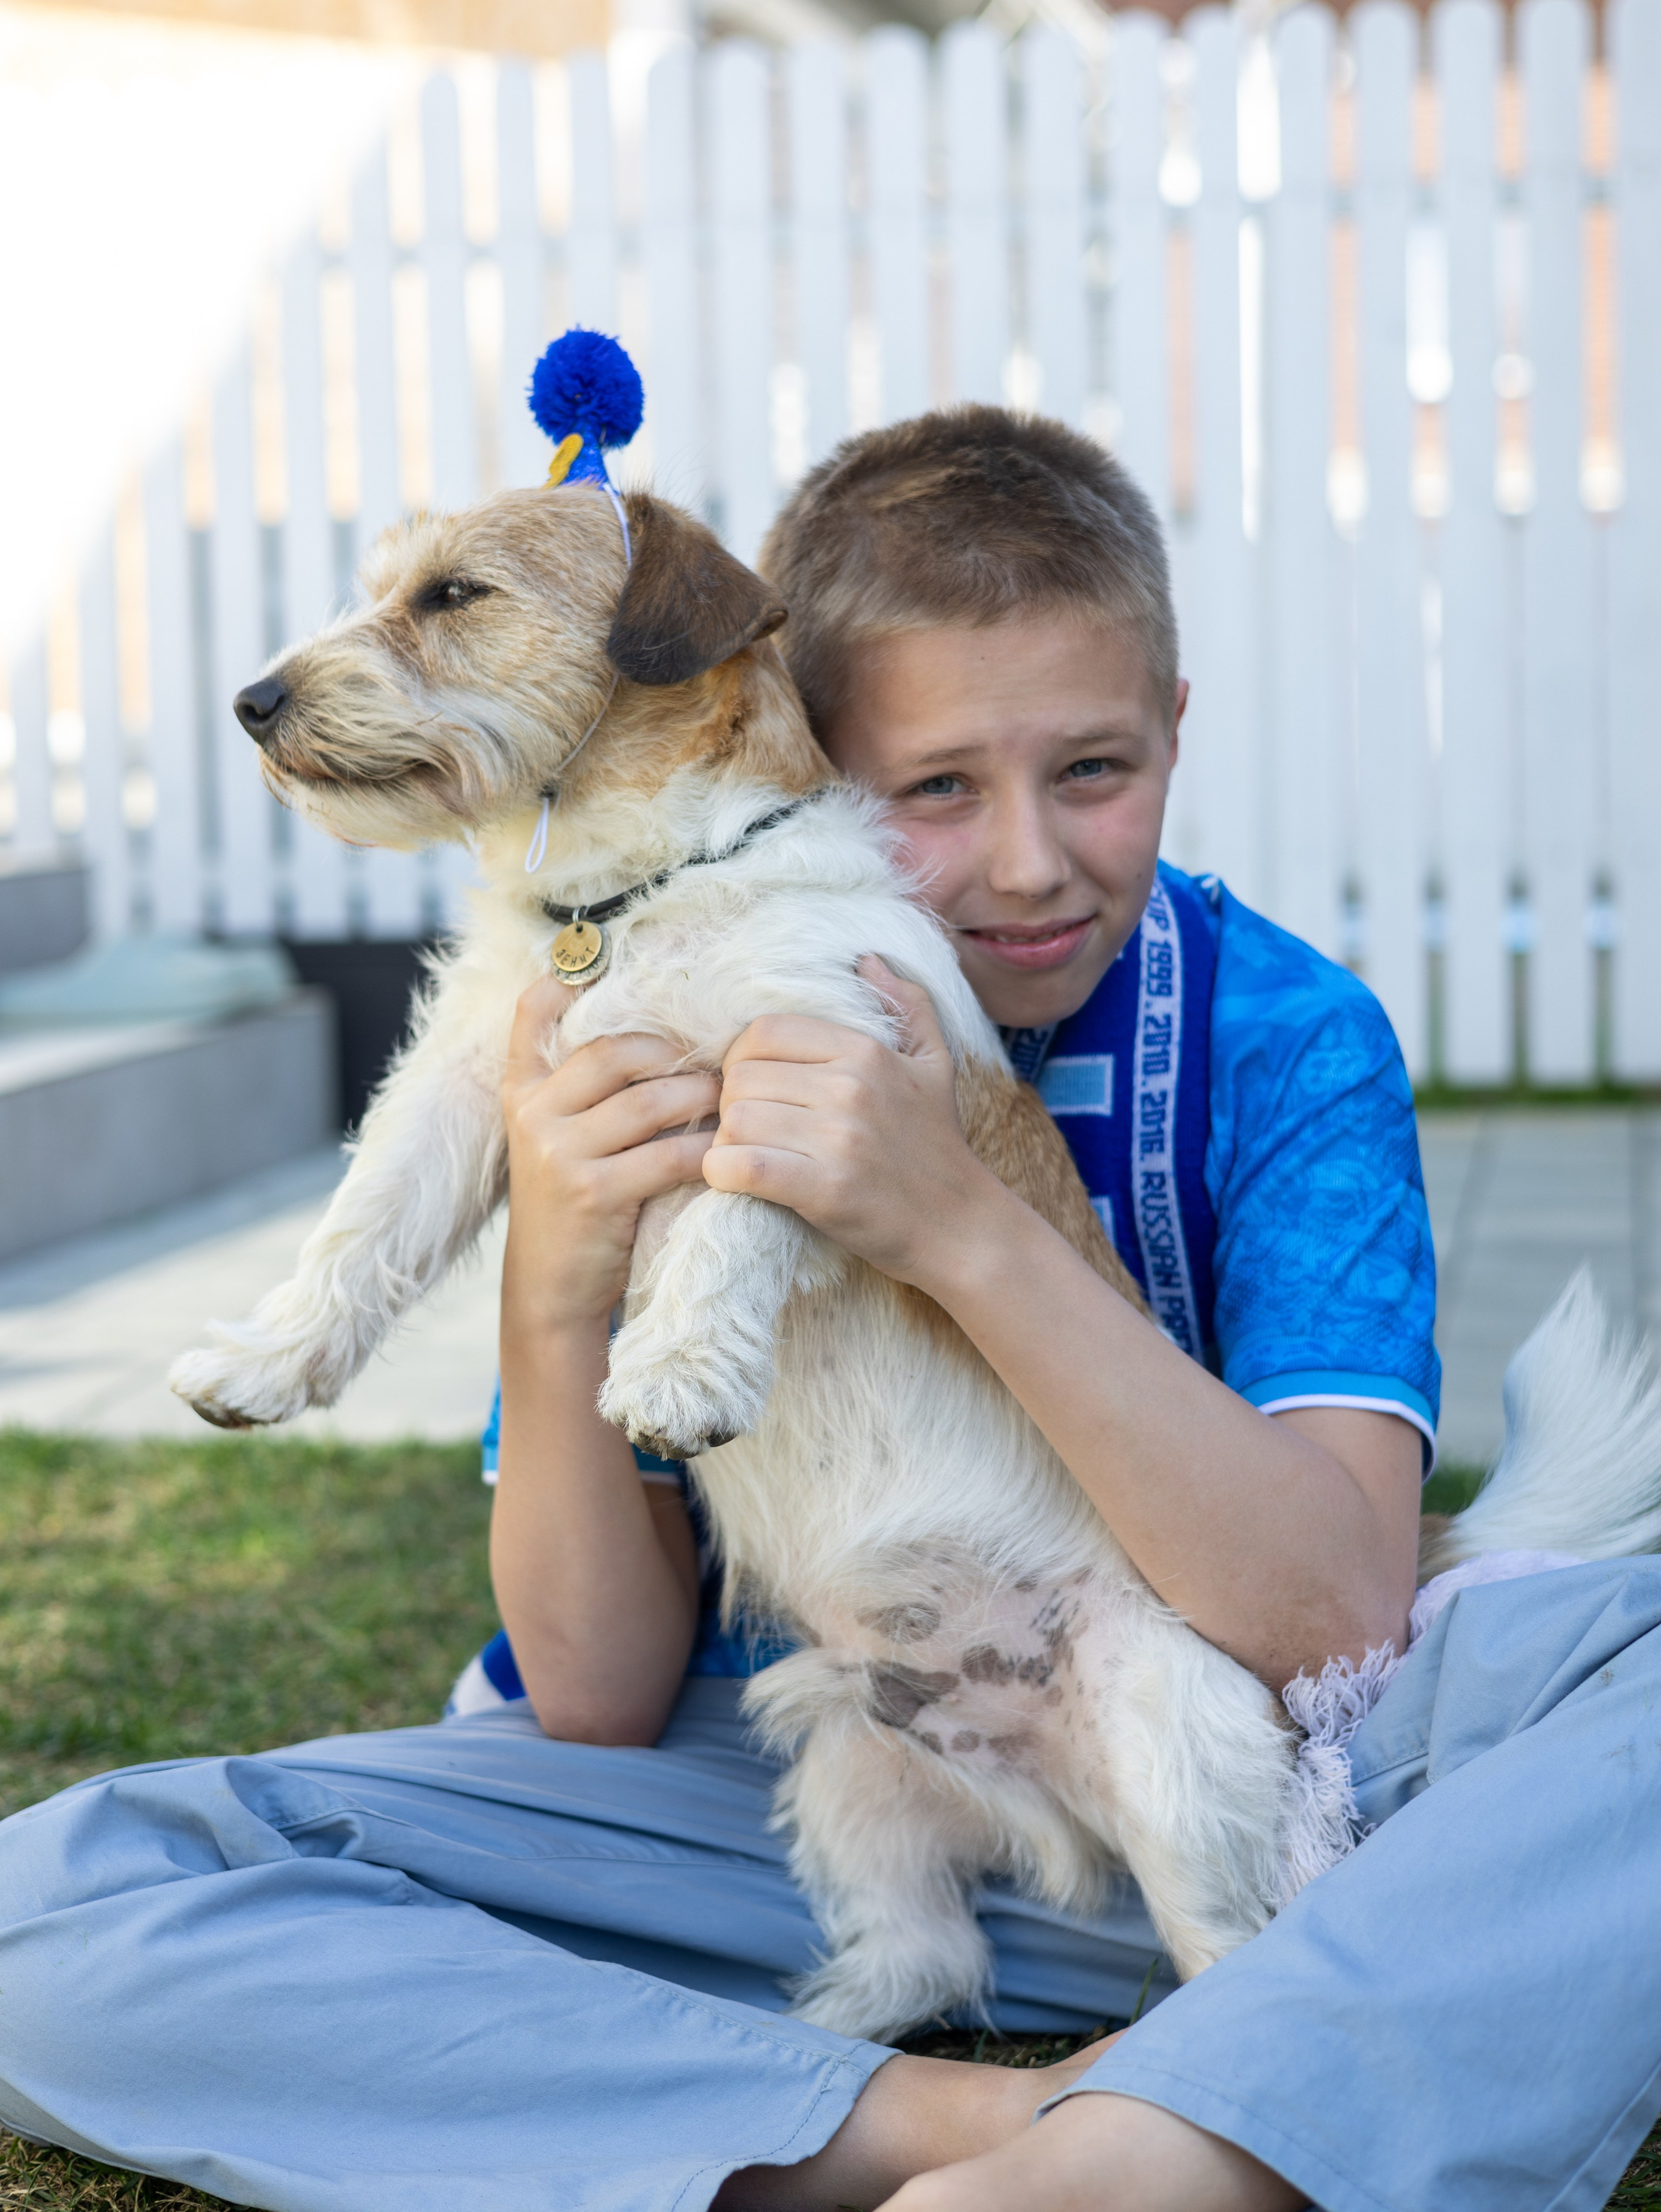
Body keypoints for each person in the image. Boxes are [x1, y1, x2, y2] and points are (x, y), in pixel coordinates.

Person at [1, 409, 1656, 2212]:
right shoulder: (608, 976)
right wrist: (553, 1292)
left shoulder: (1287, 1038)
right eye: (935, 790)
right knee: (62, 1893)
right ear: (783, 732)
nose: (1024, 863)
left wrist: (960, 1218)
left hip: (1278, 1773)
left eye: (1091, 770)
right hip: (773, 1774)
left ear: (1175, 730)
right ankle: (1001, 2124)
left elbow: (1334, 1616)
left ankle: (1143, 2111)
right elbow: (593, 1697)